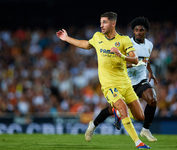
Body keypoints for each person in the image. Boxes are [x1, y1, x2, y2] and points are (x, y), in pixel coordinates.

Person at [57, 12, 150, 149]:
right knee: (123, 108)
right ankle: (138, 143)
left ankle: (111, 113)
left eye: (104, 22)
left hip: (125, 83)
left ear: (113, 23)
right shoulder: (97, 37)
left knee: (140, 116)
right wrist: (67, 38)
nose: (101, 25)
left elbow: (135, 59)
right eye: (100, 22)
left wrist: (121, 55)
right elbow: (85, 44)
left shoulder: (124, 40)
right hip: (109, 84)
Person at [85, 17, 157, 142]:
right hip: (124, 81)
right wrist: (135, 63)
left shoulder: (149, 44)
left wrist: (150, 71)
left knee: (152, 100)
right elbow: (119, 62)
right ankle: (94, 124)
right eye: (136, 30)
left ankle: (145, 129)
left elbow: (146, 59)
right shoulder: (125, 42)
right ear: (133, 31)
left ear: (146, 31)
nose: (139, 32)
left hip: (140, 81)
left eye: (141, 30)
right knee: (111, 109)